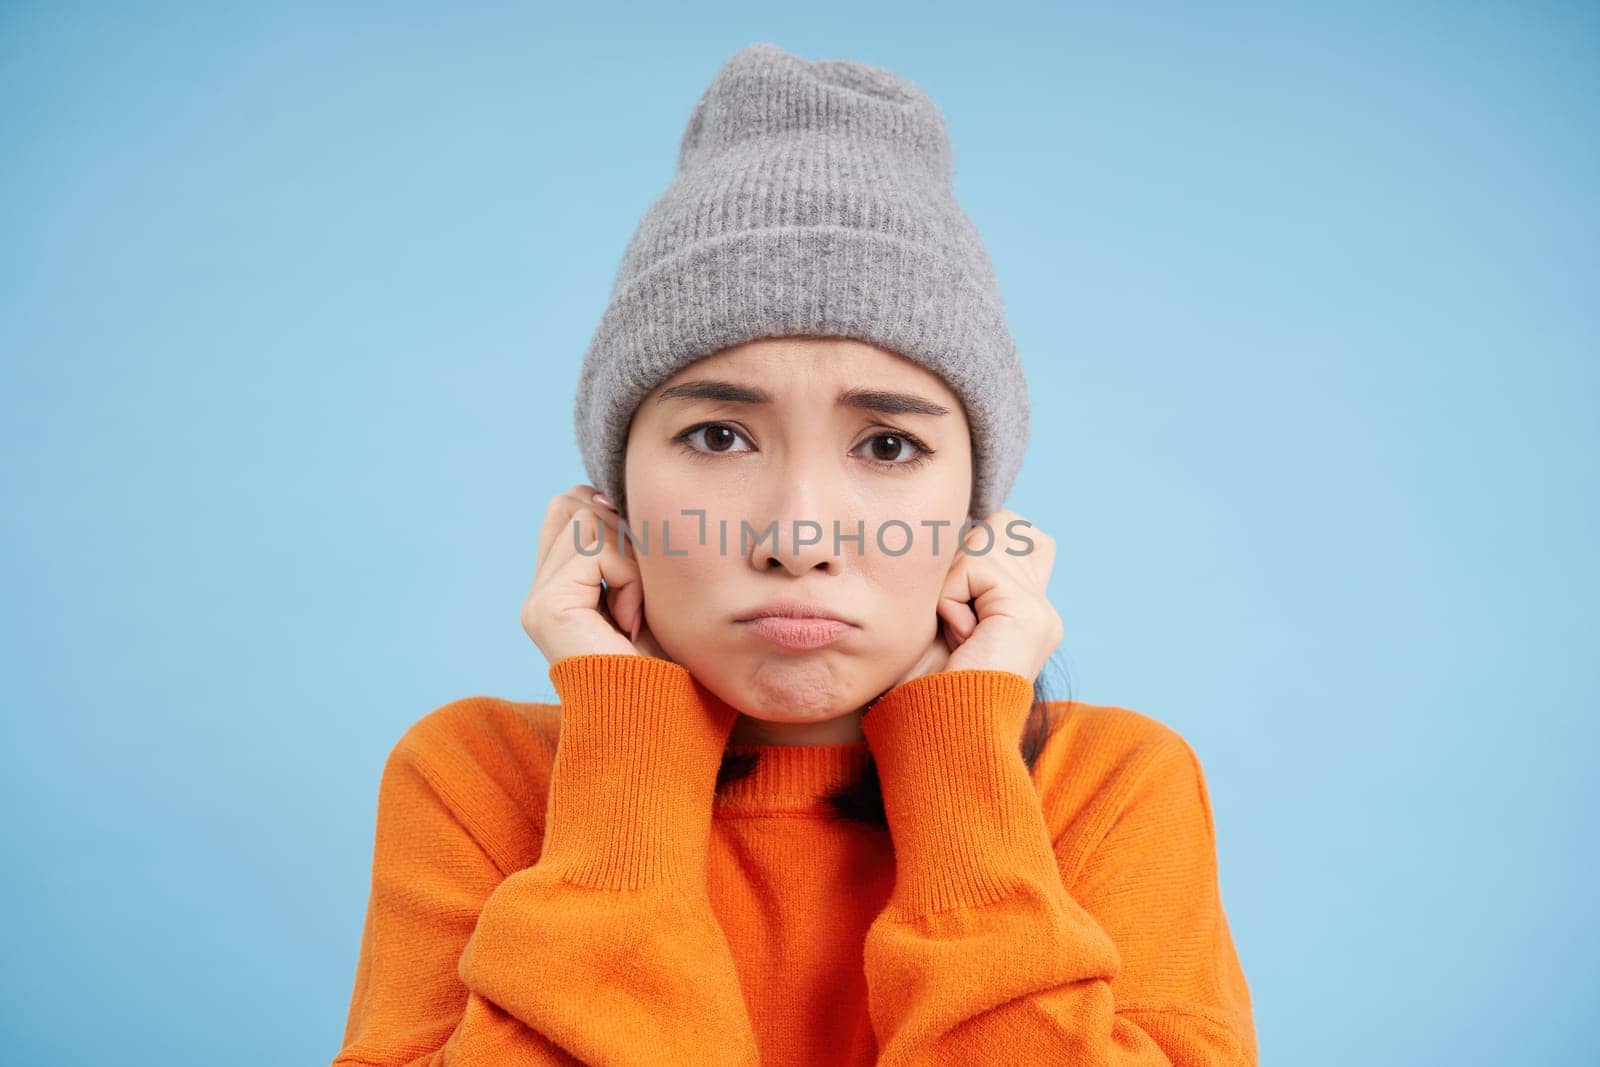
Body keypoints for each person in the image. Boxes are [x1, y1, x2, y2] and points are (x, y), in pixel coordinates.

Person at [332, 41, 1257, 1066]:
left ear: (977, 519)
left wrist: (958, 759)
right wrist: (626, 774)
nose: (798, 538)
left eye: (889, 445)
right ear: (614, 507)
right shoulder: (479, 781)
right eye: (718, 436)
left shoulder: (1109, 784)